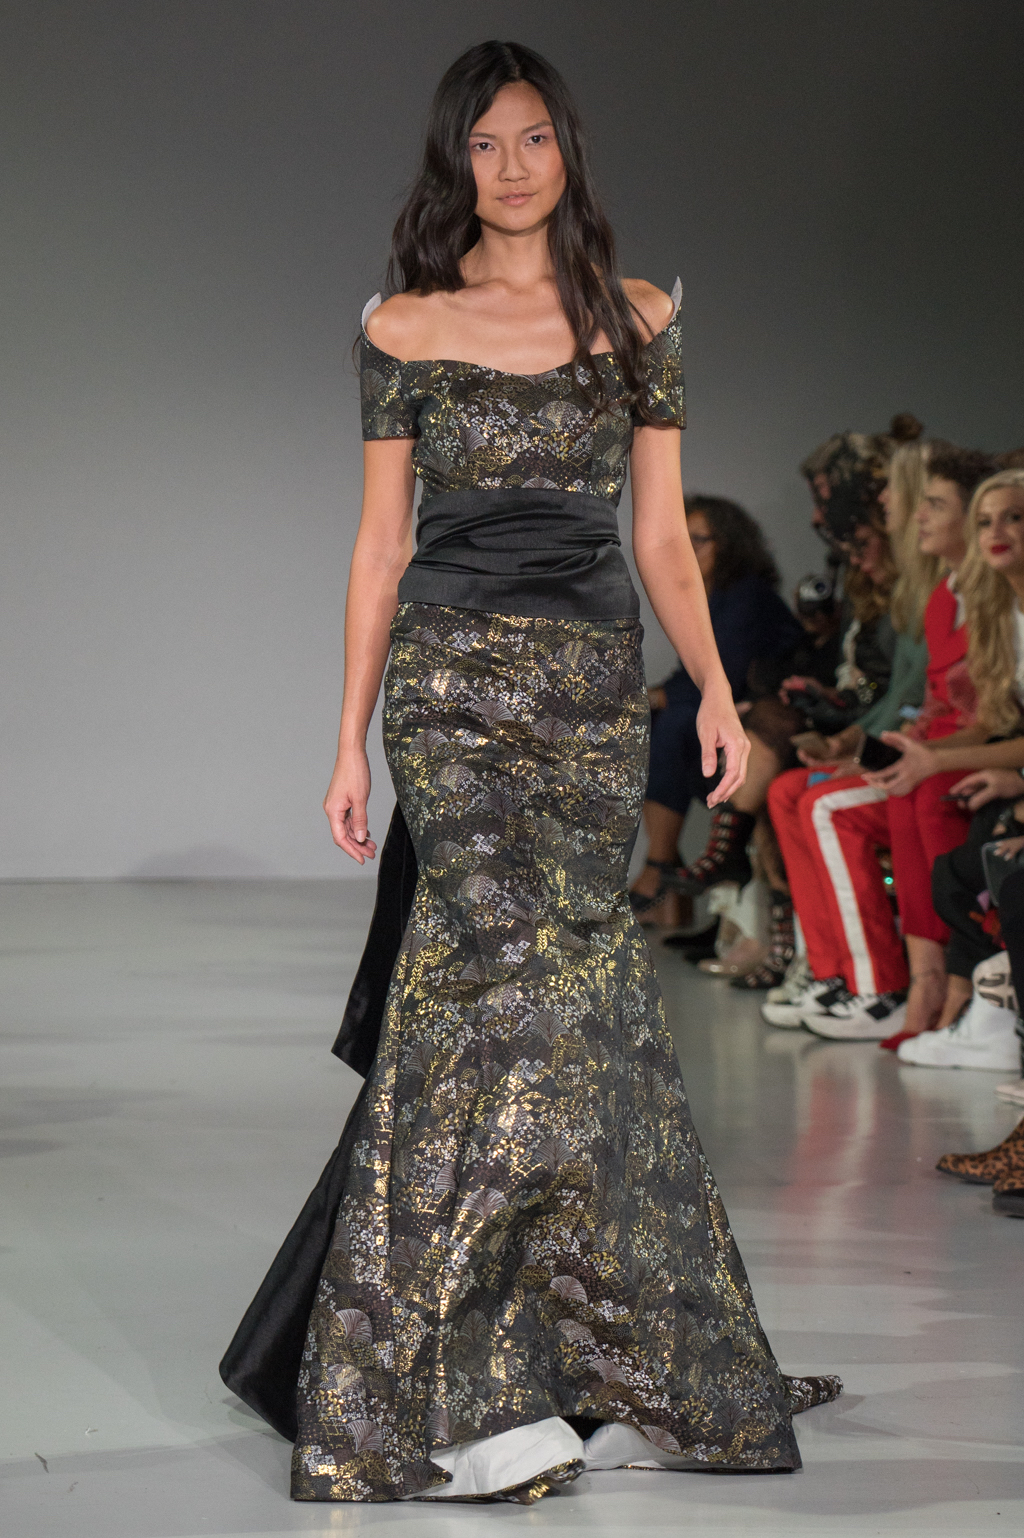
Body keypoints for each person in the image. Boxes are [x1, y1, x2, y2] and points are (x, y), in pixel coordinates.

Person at [218, 41, 839, 1506]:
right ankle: (449, 1399)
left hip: (587, 701)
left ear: (570, 150)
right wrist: (347, 736)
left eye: (535, 137)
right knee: (492, 1002)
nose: (511, 166)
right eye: (485, 143)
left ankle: (584, 1359)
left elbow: (663, 534)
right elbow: (381, 545)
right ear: (456, 160)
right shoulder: (403, 325)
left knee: (578, 1019)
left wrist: (719, 693)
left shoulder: (639, 319)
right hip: (450, 696)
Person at [764, 443, 994, 1042]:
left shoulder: (968, 595)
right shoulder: (939, 595)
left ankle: (894, 984)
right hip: (930, 747)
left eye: (925, 503)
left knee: (837, 804)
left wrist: (877, 749)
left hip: (957, 754)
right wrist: (864, 745)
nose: (906, 513)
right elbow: (922, 703)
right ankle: (850, 973)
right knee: (799, 792)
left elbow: (965, 710)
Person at [629, 496, 803, 920]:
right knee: (658, 723)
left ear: (729, 545)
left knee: (672, 723)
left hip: (778, 717)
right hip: (738, 712)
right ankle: (666, 875)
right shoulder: (711, 597)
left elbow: (721, 679)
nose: (687, 549)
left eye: (699, 539)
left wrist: (654, 696)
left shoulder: (747, 596)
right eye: (683, 539)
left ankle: (660, 867)